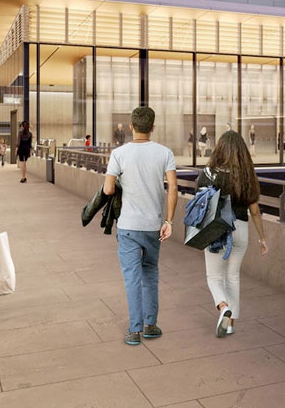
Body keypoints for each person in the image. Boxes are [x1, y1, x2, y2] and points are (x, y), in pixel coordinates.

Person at [102, 106, 178, 345]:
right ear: (152, 127)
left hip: (128, 226)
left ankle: (134, 330)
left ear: (131, 127)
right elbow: (173, 188)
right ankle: (150, 325)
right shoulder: (165, 153)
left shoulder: (119, 153)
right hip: (153, 226)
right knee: (150, 273)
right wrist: (169, 221)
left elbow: (108, 189)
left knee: (132, 278)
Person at [196, 131, 268, 337]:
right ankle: (230, 324)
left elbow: (200, 203)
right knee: (233, 276)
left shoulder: (208, 174)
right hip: (241, 229)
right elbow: (255, 211)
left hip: (216, 229)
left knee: (214, 276)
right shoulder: (247, 176)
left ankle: (223, 307)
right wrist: (262, 238)